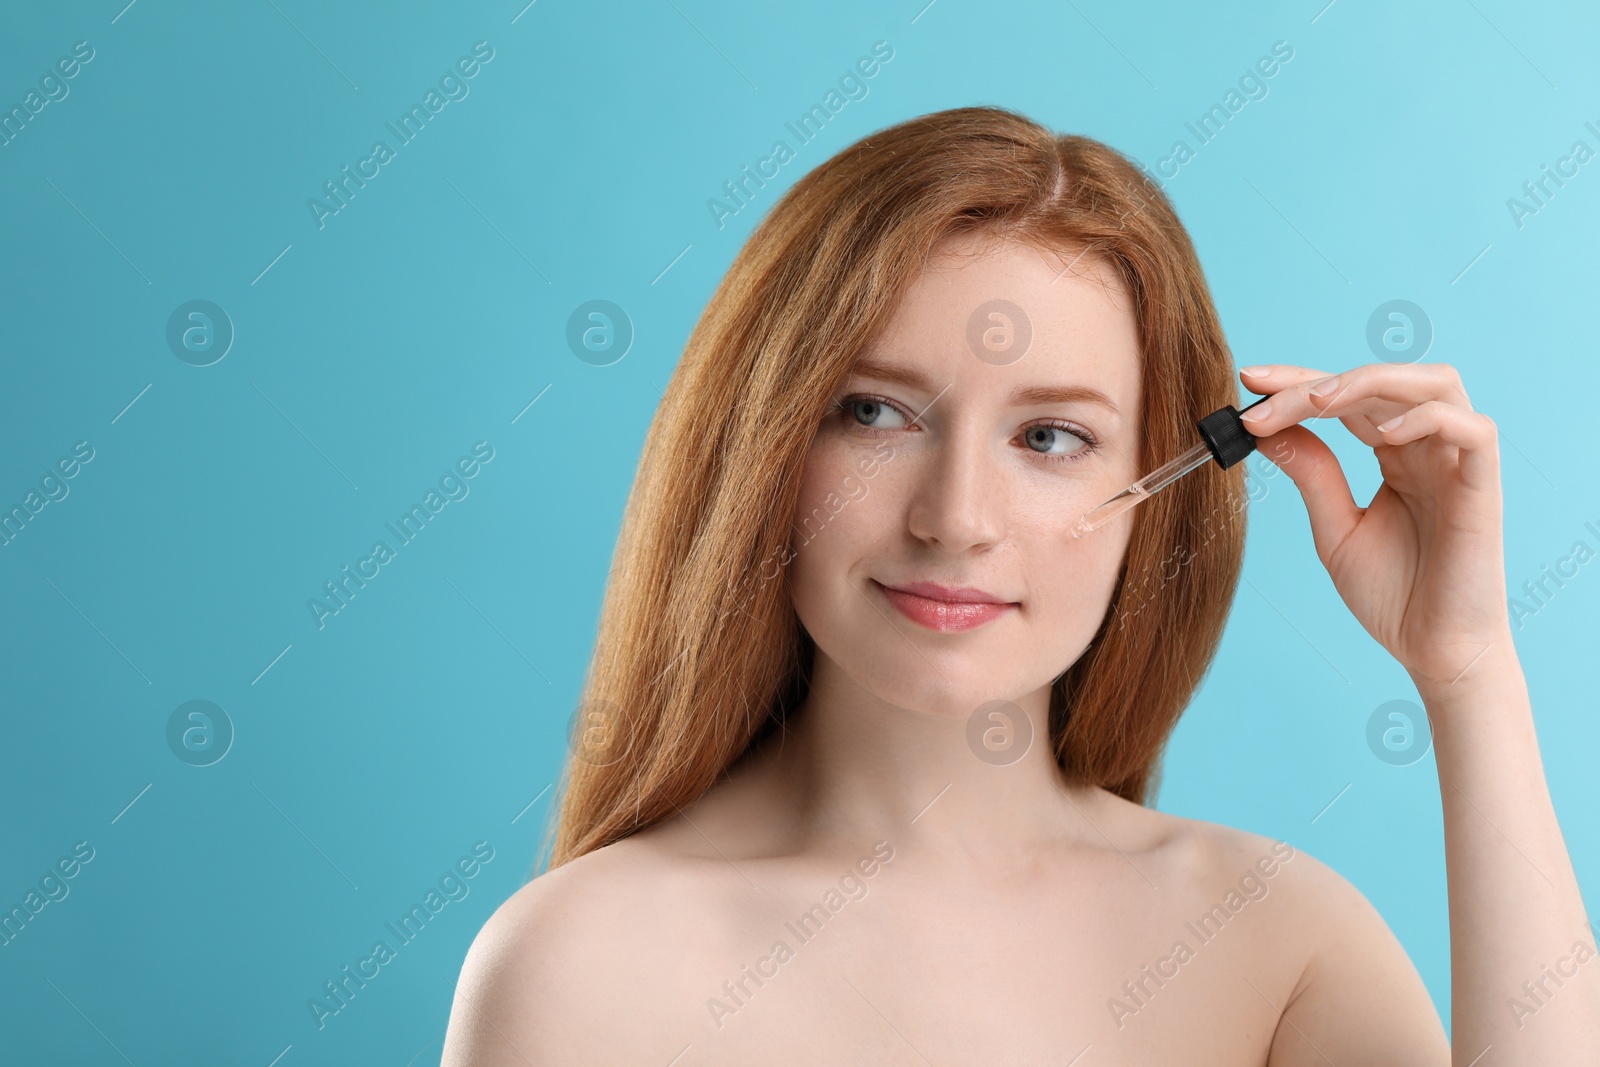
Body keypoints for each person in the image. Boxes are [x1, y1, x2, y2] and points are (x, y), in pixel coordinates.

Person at [440, 106, 1597, 1064]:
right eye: (874, 412)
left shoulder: (1274, 941)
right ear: (764, 449)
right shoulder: (583, 962)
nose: (954, 518)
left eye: (1048, 437)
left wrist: (1469, 674)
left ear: (1162, 486)